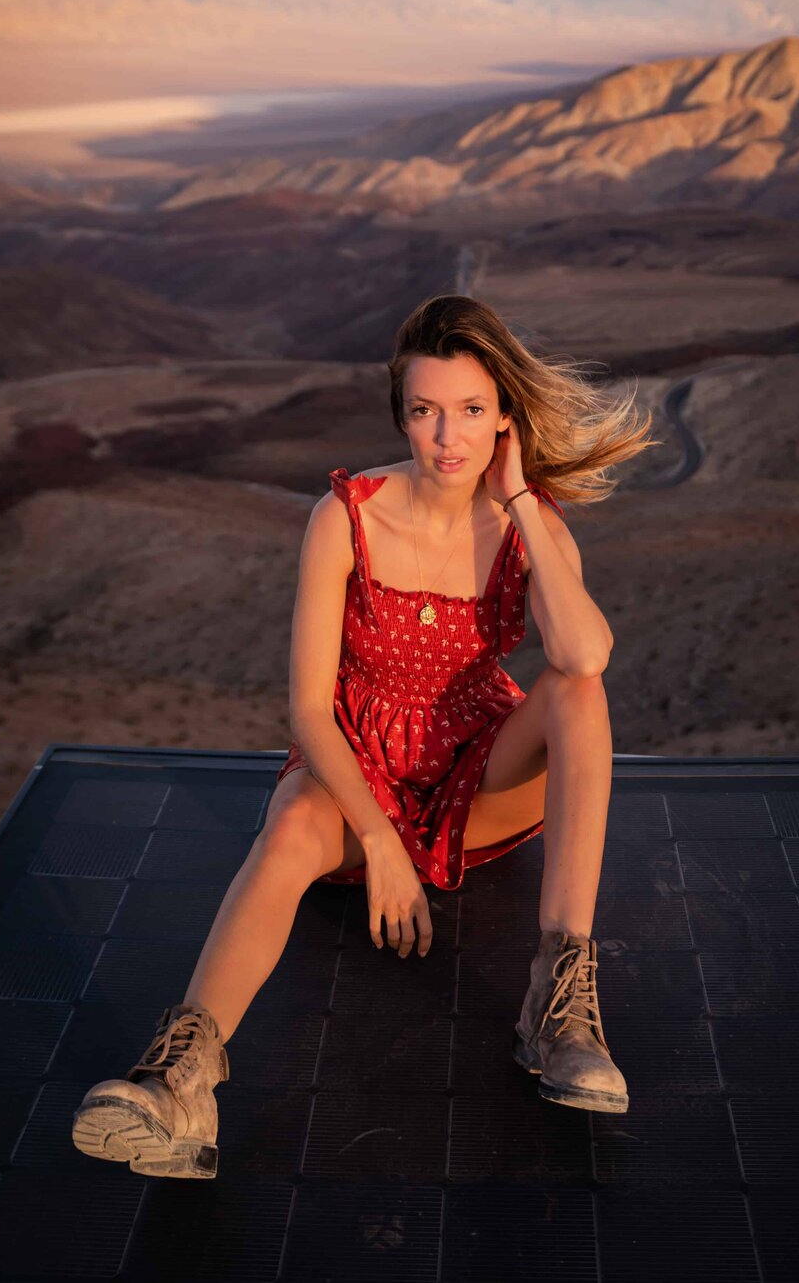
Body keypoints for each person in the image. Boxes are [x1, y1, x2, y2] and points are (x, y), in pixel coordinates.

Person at [71, 294, 658, 1179]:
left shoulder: (522, 524)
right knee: (294, 824)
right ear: (402, 417)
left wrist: (526, 503)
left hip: (476, 774)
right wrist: (380, 840)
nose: (446, 438)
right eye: (425, 412)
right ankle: (181, 1079)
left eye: (470, 411)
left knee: (578, 696)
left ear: (505, 420)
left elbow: (585, 654)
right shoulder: (345, 516)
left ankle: (559, 1005)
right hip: (359, 774)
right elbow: (308, 708)